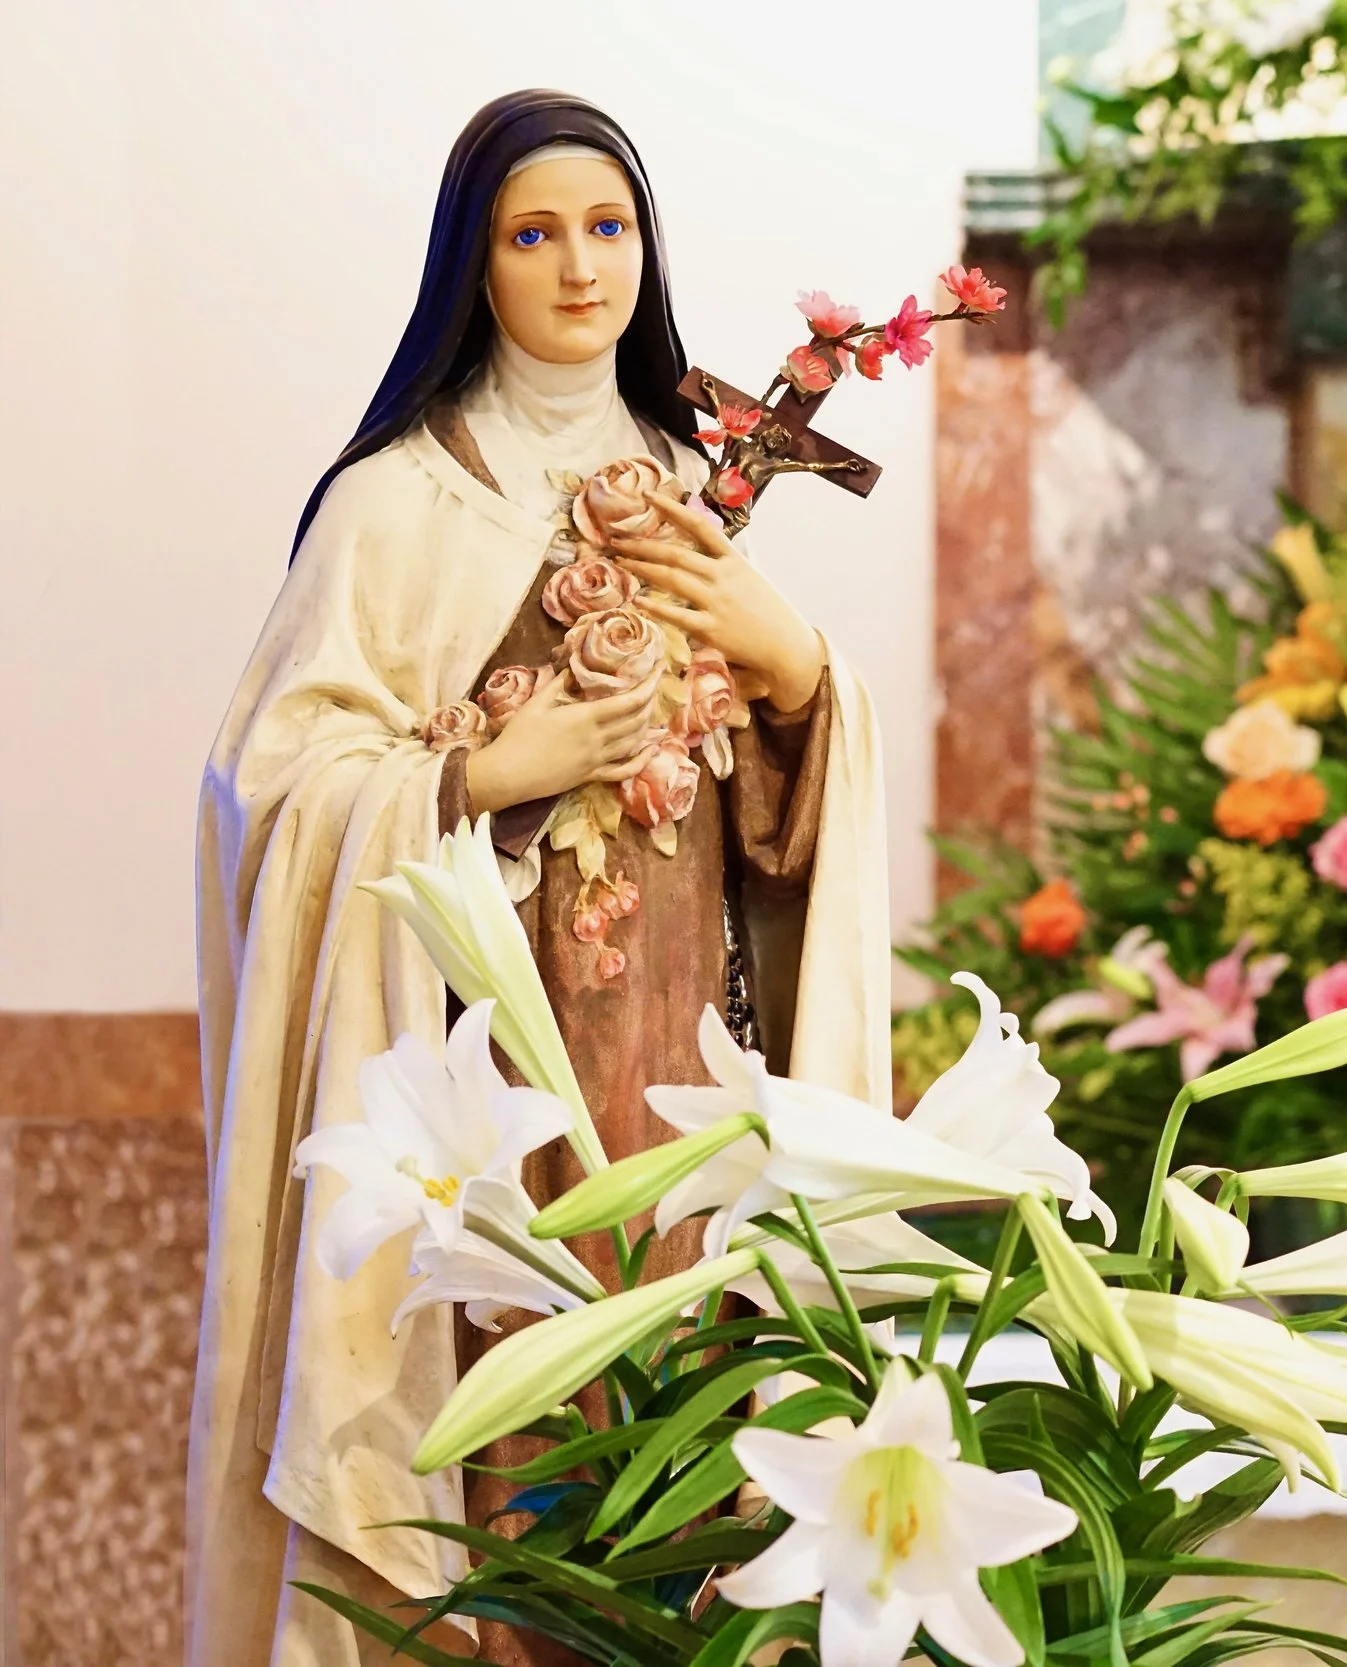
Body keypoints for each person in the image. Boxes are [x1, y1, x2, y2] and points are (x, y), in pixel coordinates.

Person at [187, 90, 892, 1666]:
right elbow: (270, 794)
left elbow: (775, 826)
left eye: (608, 226)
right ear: (474, 263)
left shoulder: (698, 484)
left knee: (679, 1466)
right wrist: (484, 773)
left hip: (679, 1084)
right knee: (505, 1469)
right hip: (478, 1084)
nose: (581, 268)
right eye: (534, 233)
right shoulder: (398, 504)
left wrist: (794, 672)